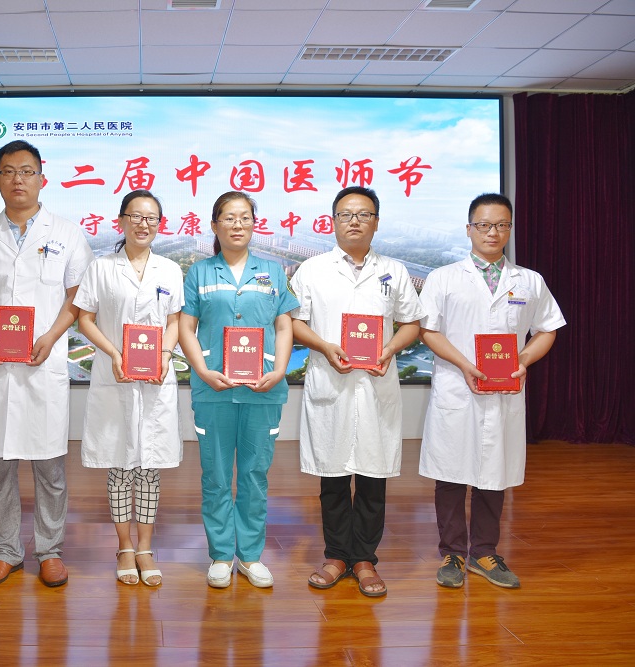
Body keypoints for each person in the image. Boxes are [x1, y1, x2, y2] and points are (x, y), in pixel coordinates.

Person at [0, 140, 94, 588]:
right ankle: (6, 551)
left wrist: (52, 336)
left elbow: (77, 298)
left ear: (42, 179)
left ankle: (50, 551)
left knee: (50, 468)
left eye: (27, 171)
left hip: (43, 364)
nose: (18, 180)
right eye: (9, 171)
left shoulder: (66, 233)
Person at [418, 193, 565, 589]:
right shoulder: (444, 278)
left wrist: (523, 360)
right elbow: (429, 330)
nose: (493, 232)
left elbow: (547, 329)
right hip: (457, 387)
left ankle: (484, 552)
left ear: (510, 229)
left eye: (501, 225)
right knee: (450, 472)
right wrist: (465, 364)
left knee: (493, 472)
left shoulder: (529, 281)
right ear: (469, 229)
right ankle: (452, 551)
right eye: (484, 225)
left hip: (505, 391)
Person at [290, 186, 424, 598]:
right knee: (332, 477)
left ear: (376, 223)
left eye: (364, 214)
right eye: (346, 214)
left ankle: (364, 559)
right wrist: (324, 346)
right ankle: (335, 556)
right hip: (331, 382)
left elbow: (412, 323)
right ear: (333, 221)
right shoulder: (312, 270)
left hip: (375, 382)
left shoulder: (394, 271)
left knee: (372, 476)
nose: (354, 221)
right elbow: (294, 322)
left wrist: (390, 349)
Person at [178, 191, 298, 589]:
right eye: (228, 217)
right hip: (213, 389)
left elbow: (284, 325)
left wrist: (279, 369)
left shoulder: (273, 271)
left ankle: (249, 555)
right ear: (214, 225)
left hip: (263, 389)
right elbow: (186, 327)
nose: (237, 224)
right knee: (215, 474)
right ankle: (219, 555)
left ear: (254, 224)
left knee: (254, 474)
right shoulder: (199, 273)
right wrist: (201, 369)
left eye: (245, 217)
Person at [74, 190, 183, 587]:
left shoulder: (170, 270)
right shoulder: (101, 268)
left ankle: (145, 548)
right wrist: (114, 353)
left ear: (160, 224)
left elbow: (174, 321)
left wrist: (165, 355)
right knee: (120, 465)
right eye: (135, 216)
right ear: (121, 221)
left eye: (151, 218)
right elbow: (85, 319)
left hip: (155, 380)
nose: (143, 224)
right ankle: (123, 547)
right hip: (114, 375)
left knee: (149, 466)